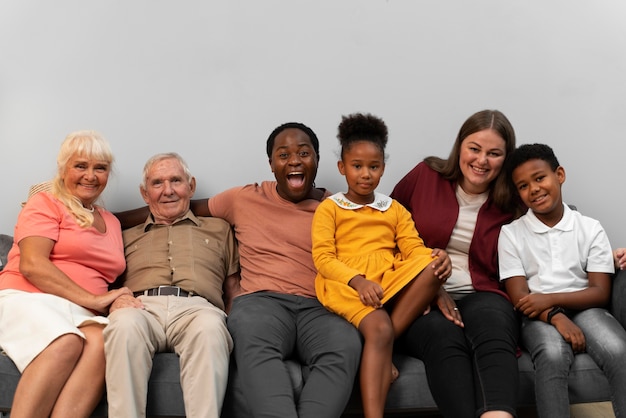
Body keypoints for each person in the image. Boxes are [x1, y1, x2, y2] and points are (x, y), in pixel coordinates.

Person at [181, 122, 361, 418]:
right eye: (284, 154)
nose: (293, 161)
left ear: (316, 160)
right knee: (253, 341)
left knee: (345, 344)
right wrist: (105, 217)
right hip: (261, 303)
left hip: (321, 306)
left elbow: (380, 247)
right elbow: (180, 207)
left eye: (304, 153)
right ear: (271, 164)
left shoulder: (337, 207)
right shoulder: (244, 198)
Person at [311, 113, 451, 418]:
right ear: (342, 168)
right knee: (380, 326)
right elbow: (323, 258)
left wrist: (437, 256)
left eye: (373, 167)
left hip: (386, 277)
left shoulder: (393, 209)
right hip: (346, 282)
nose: (365, 174)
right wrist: (358, 281)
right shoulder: (330, 208)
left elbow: (413, 247)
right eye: (357, 166)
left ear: (383, 169)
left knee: (431, 264)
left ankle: (382, 347)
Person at [390, 109, 521, 418]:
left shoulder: (513, 200)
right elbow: (385, 233)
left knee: (494, 327)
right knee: (442, 336)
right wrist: (429, 286)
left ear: (506, 158)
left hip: (483, 292)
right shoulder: (425, 175)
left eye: (494, 153)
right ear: (460, 146)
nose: (481, 160)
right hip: (418, 293)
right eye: (474, 148)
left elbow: (550, 238)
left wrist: (603, 257)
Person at [0, 131, 130, 418]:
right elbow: (32, 265)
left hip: (80, 311)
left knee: (103, 343)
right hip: (28, 297)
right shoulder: (45, 203)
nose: (91, 176)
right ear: (63, 169)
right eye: (80, 166)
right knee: (66, 341)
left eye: (100, 168)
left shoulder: (111, 221)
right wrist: (95, 299)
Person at [103, 153, 239, 418]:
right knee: (123, 325)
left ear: (191, 186)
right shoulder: (122, 236)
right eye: (157, 183)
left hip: (198, 309)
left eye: (176, 180)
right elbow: (102, 280)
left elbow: (233, 287)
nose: (168, 191)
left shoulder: (219, 229)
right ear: (144, 193)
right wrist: (114, 301)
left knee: (211, 329)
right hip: (141, 306)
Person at [498, 143, 626, 418]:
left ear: (560, 175)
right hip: (538, 316)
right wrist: (555, 314)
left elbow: (600, 292)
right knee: (552, 355)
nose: (533, 189)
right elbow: (521, 297)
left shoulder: (590, 228)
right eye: (522, 186)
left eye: (539, 178)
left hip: (586, 308)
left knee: (618, 349)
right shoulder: (511, 234)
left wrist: (551, 298)